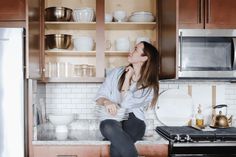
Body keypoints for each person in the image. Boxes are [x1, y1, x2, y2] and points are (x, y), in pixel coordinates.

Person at [94, 41, 160, 157]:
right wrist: (106, 101)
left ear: (144, 58)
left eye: (135, 49)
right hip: (114, 118)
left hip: (135, 121)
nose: (130, 51)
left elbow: (126, 103)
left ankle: (116, 137)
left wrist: (127, 78)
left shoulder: (150, 85)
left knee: (117, 144)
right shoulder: (116, 73)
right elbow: (99, 97)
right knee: (106, 126)